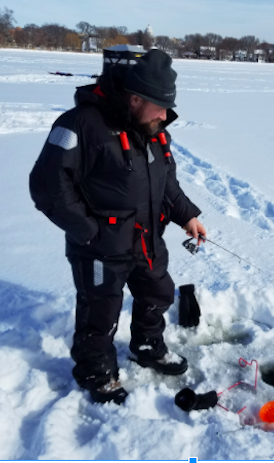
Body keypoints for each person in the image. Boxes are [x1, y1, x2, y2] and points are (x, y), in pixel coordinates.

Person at [29, 49, 206, 405]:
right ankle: (97, 372)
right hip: (99, 246)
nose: (166, 115)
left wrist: (187, 215)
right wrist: (89, 231)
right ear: (135, 97)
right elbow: (47, 185)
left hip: (146, 242)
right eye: (159, 105)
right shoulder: (79, 125)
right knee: (100, 312)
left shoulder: (154, 128)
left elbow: (166, 182)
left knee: (158, 294)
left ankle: (147, 346)